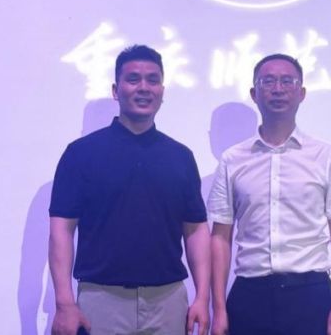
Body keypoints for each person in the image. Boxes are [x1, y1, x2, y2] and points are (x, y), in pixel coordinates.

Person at [49, 45, 210, 335]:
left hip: (168, 301)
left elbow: (196, 230)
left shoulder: (180, 156)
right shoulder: (81, 154)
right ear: (116, 90)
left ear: (162, 91)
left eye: (153, 80)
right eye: (133, 79)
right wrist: (64, 303)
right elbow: (61, 230)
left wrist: (202, 297)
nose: (144, 87)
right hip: (101, 300)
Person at [208, 54, 331, 335]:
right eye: (268, 82)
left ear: (302, 93)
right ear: (254, 94)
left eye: (287, 81)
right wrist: (219, 309)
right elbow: (220, 237)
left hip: (310, 295)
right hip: (250, 294)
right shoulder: (233, 159)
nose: (278, 89)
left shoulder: (324, 155)